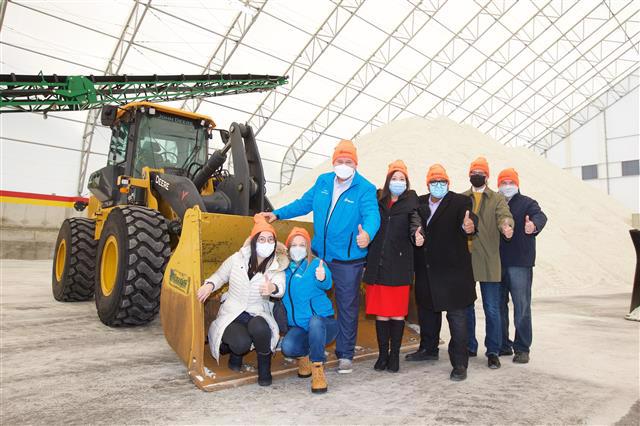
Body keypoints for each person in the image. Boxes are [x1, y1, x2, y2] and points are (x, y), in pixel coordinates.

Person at [260, 139, 380, 374]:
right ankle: (312, 344)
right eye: (339, 161)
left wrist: (367, 233)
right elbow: (303, 204)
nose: (343, 165)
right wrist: (277, 213)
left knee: (346, 306)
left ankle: (345, 354)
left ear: (355, 164)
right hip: (319, 257)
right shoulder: (323, 182)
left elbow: (372, 215)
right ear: (334, 162)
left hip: (347, 260)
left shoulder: (364, 188)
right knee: (312, 297)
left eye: (348, 161)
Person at [405, 164, 478, 381]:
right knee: (427, 313)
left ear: (448, 183)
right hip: (427, 269)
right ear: (428, 183)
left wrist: (470, 226)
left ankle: (460, 363)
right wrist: (414, 236)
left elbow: (470, 219)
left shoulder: (460, 202)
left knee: (457, 319)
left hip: (453, 271)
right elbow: (413, 226)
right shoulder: (418, 202)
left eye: (442, 181)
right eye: (434, 181)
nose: (438, 185)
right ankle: (429, 349)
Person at [197, 214, 288, 387]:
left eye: (270, 239)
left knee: (260, 327)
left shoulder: (277, 266)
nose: (266, 243)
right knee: (241, 343)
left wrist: (272, 289)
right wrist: (209, 285)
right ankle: (233, 352)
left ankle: (264, 370)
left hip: (257, 312)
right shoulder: (236, 259)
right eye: (262, 239)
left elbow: (280, 288)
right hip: (233, 313)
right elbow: (220, 276)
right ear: (254, 241)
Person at [363, 160, 422, 373]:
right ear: (388, 181)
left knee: (397, 313)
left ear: (407, 182)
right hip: (377, 263)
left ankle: (394, 355)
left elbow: (416, 223)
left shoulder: (411, 202)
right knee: (381, 313)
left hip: (399, 264)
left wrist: (418, 234)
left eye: (402, 179)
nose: (398, 182)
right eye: (394, 178)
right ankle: (382, 355)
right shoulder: (377, 201)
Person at [463, 156, 514, 370]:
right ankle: (469, 346)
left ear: (487, 175)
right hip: (466, 261)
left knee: (492, 308)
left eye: (480, 172)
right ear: (469, 175)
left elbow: (505, 216)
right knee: (466, 308)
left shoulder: (496, 198)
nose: (477, 175)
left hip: (489, 259)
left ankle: (492, 350)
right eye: (474, 171)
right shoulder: (461, 198)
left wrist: (506, 226)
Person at [497, 168, 547, 364]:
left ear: (517, 184)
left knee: (522, 306)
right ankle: (503, 344)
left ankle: (522, 347)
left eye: (510, 182)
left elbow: (541, 216)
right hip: (498, 263)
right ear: (498, 185)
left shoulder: (527, 203)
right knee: (498, 306)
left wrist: (533, 225)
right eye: (504, 182)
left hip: (520, 263)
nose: (507, 186)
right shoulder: (495, 202)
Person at [280, 227, 337, 393]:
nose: (298, 248)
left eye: (302, 244)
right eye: (294, 244)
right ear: (288, 247)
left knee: (315, 322)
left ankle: (318, 369)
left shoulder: (316, 264)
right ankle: (304, 357)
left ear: (308, 247)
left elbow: (326, 284)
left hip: (323, 324)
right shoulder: (284, 269)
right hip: (299, 326)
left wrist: (323, 277)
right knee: (288, 347)